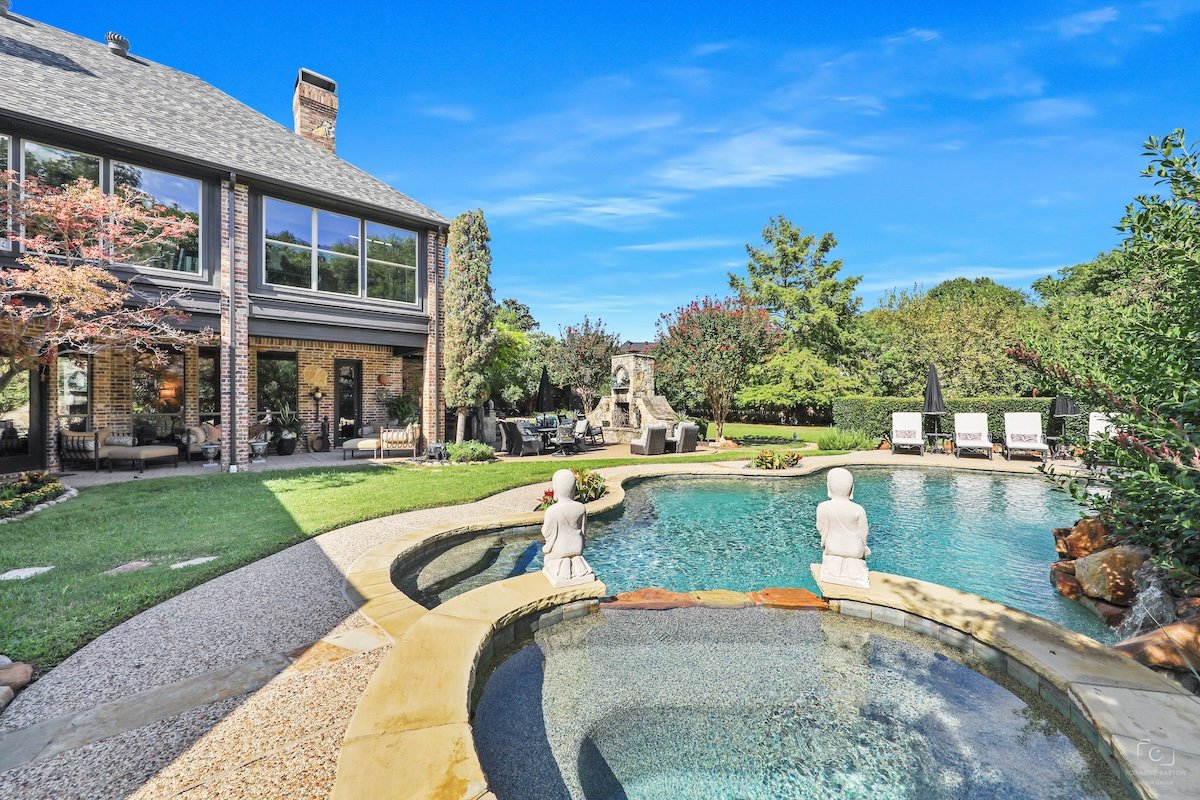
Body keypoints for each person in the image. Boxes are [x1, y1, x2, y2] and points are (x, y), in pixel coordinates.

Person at [816, 467, 871, 589]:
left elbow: (820, 528)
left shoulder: (823, 507)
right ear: (852, 489)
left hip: (833, 548)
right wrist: (864, 545)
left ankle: (834, 570)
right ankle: (855, 573)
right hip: (855, 550)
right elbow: (864, 532)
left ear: (828, 488)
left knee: (833, 561)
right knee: (855, 560)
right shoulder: (858, 509)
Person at [541, 469, 596, 587]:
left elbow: (546, 532)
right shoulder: (581, 508)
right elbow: (583, 529)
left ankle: (563, 565)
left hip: (560, 549)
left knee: (547, 559)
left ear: (555, 489)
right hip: (577, 547)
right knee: (575, 556)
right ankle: (577, 563)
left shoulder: (552, 510)